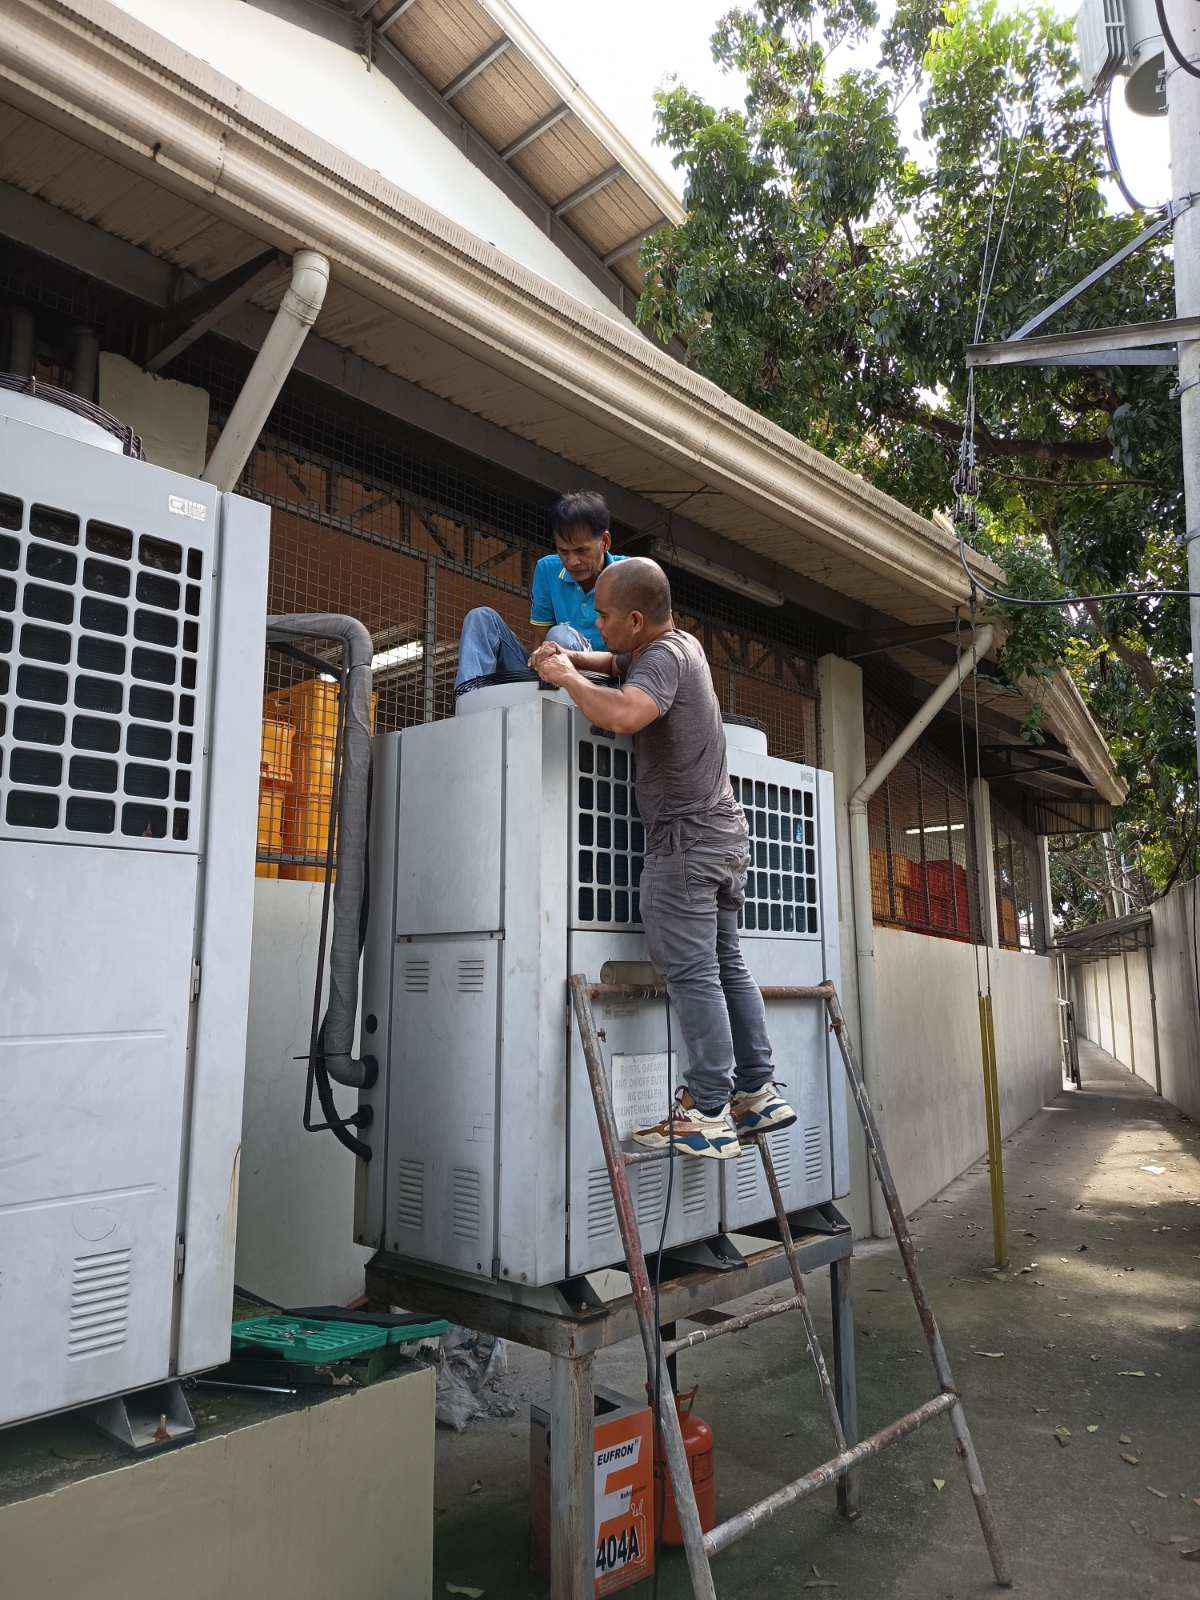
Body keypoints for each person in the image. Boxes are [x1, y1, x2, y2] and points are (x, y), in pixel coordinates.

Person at [530, 557, 795, 1160]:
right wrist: (573, 660)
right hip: (725, 840)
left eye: (601, 616)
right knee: (729, 966)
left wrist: (568, 682)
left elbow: (624, 713)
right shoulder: (680, 647)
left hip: (685, 844)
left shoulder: (664, 659)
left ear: (635, 617)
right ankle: (755, 1090)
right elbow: (618, 664)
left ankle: (705, 1109)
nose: (594, 626)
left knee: (696, 974)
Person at [454, 490, 626, 695]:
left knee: (559, 635)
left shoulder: (630, 574)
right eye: (564, 551)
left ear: (605, 542)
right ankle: (469, 703)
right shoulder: (546, 569)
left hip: (605, 685)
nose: (572, 561)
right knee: (480, 618)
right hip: (549, 678)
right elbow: (540, 641)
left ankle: (566, 706)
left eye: (581, 551)